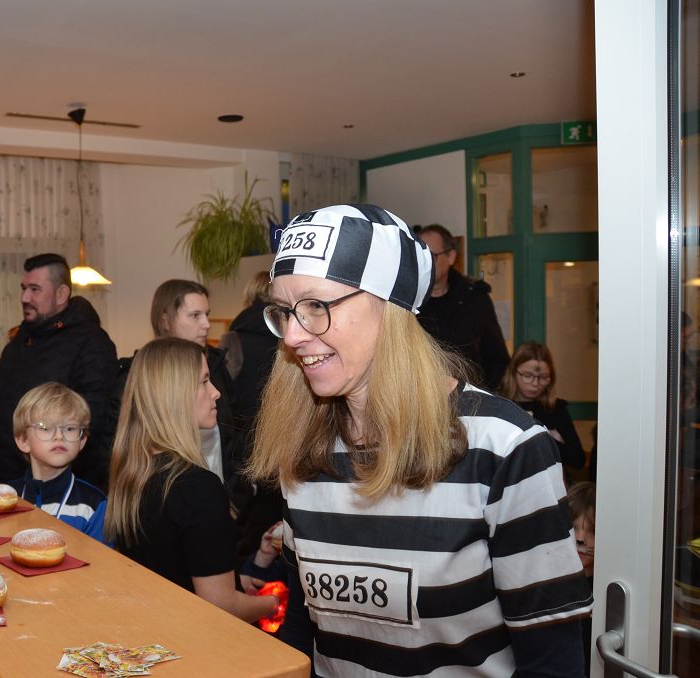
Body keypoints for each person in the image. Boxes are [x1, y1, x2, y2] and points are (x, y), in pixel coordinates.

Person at [250, 204, 591, 676]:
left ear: (390, 309)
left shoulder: (504, 448)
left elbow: (551, 659)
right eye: (285, 311)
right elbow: (306, 626)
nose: (291, 336)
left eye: (316, 306)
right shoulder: (305, 443)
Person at [106, 337, 279, 623]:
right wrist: (272, 604)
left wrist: (235, 583)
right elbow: (220, 607)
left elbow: (177, 567)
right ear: (175, 395)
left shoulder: (133, 472)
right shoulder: (197, 487)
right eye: (204, 381)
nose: (216, 392)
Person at [0, 253, 118, 487]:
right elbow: (16, 391)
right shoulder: (23, 337)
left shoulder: (92, 343)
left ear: (61, 294)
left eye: (35, 289)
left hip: (52, 488)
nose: (24, 297)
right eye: (24, 289)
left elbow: (91, 419)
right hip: (4, 481)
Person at [112, 280, 239, 490]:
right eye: (195, 315)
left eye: (207, 314)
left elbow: (234, 432)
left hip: (220, 491)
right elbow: (123, 445)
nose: (206, 324)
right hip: (167, 490)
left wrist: (237, 492)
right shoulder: (139, 375)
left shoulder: (216, 365)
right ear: (166, 320)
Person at [217, 271, 283, 558]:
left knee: (250, 533)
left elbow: (225, 397)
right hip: (286, 443)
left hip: (247, 447)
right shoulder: (292, 336)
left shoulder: (234, 338)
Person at [5, 382, 107, 542]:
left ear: (81, 441)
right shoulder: (5, 498)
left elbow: (102, 557)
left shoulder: (93, 505)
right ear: (24, 441)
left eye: (70, 428)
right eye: (45, 428)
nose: (59, 436)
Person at [415, 223, 510, 390]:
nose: (424, 263)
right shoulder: (406, 299)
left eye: (431, 256)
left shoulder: (474, 298)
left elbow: (497, 358)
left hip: (469, 397)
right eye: (418, 255)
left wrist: (481, 396)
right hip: (420, 396)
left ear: (451, 256)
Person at [500, 340, 586, 473]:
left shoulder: (555, 409)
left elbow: (578, 459)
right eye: (527, 376)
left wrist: (543, 438)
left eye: (544, 377)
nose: (535, 383)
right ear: (513, 373)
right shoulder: (501, 406)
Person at [567, 481, 596, 670]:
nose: (580, 538)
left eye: (592, 531)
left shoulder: (606, 590)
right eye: (573, 527)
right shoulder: (554, 586)